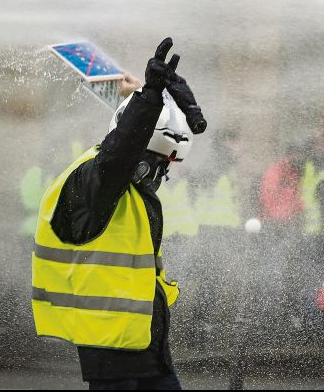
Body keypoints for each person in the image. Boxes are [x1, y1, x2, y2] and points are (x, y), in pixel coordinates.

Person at [31, 38, 204, 390]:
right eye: (157, 164)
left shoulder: (126, 190)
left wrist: (147, 96)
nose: (159, 175)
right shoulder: (93, 180)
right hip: (111, 349)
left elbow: (129, 139)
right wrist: (148, 97)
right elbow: (120, 152)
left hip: (146, 343)